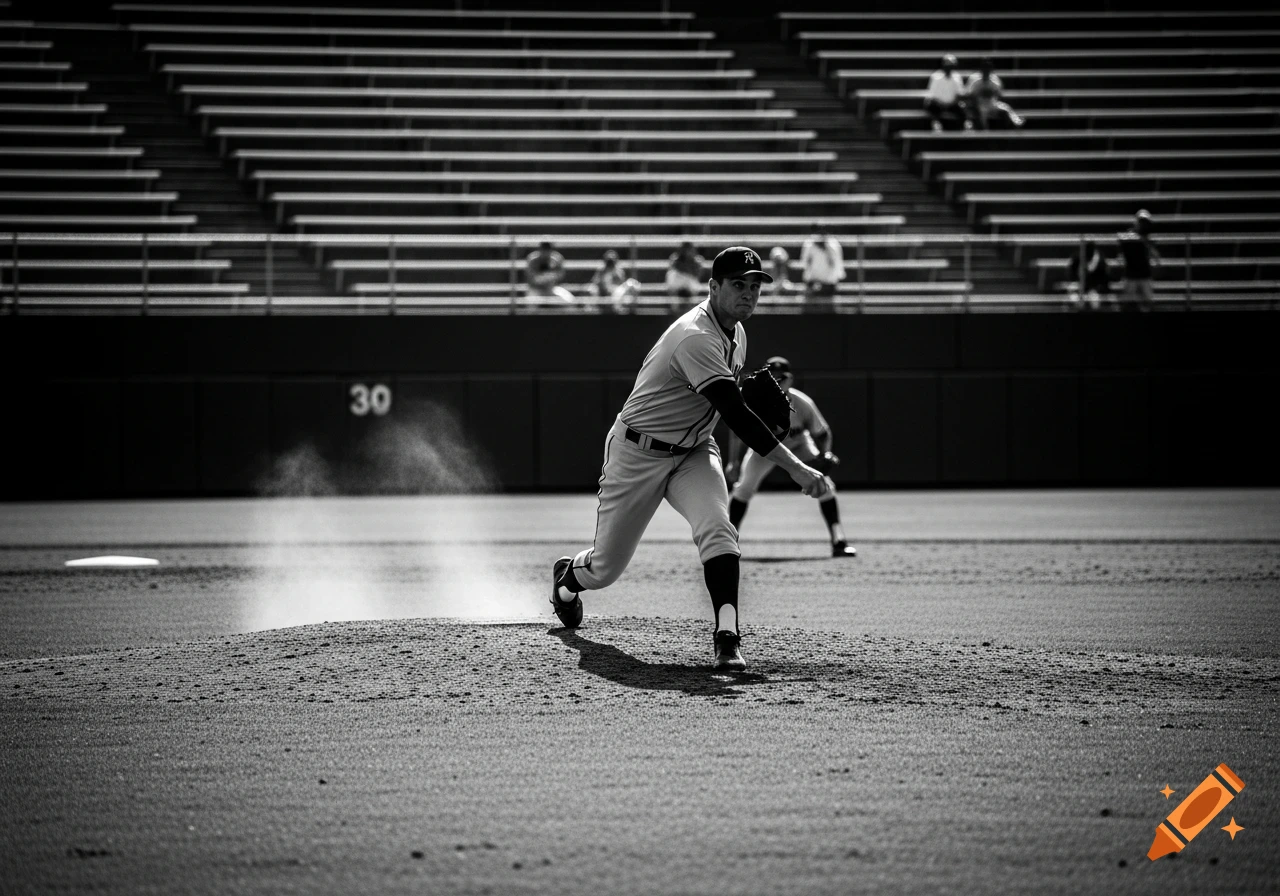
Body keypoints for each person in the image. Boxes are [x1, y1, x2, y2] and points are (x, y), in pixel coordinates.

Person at [550, 247, 832, 672]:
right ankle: (568, 580)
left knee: (720, 531)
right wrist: (798, 467)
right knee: (605, 569)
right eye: (738, 284)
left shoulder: (737, 333)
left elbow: (727, 410)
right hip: (637, 453)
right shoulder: (696, 336)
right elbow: (735, 414)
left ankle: (727, 637)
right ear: (713, 286)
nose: (749, 294)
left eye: (755, 286)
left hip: (695, 452)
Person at [725, 357, 856, 558]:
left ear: (790, 379)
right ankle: (727, 544)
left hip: (798, 446)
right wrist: (733, 461)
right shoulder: (754, 402)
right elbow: (737, 433)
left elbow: (823, 433)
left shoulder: (802, 402)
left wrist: (825, 453)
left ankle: (839, 540)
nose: (777, 380)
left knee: (824, 486)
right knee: (743, 489)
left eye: (782, 376)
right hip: (765, 449)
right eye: (773, 376)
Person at [1116, 209, 1161, 310]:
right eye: (1141, 222)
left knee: (1148, 304)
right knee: (1127, 305)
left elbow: (1156, 257)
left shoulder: (1149, 239)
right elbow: (1120, 255)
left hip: (1144, 275)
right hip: (1131, 275)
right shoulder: (1128, 236)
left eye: (1145, 222)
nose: (1143, 225)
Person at [965, 58, 1024, 130]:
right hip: (979, 105)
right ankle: (985, 132)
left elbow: (999, 94)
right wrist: (980, 94)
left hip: (992, 104)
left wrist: (991, 94)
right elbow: (969, 95)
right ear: (981, 69)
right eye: (984, 68)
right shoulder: (975, 80)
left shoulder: (995, 80)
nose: (986, 70)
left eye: (988, 68)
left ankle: (1016, 122)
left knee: (1006, 107)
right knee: (982, 113)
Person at [800, 226, 845, 307]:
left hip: (829, 284)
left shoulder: (833, 244)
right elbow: (804, 264)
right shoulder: (809, 244)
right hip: (812, 283)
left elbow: (837, 266)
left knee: (829, 310)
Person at [525, 239, 576, 309]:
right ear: (540, 249)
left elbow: (561, 275)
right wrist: (547, 277)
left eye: (548, 249)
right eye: (544, 249)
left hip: (552, 289)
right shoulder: (532, 259)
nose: (546, 252)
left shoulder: (556, 259)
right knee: (531, 304)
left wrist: (547, 277)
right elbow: (532, 279)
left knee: (570, 301)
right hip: (536, 289)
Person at [924, 53, 969, 132]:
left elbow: (959, 94)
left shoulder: (957, 77)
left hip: (952, 104)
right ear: (943, 66)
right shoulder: (935, 77)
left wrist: (952, 102)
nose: (949, 68)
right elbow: (932, 96)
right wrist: (941, 103)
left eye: (951, 66)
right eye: (947, 65)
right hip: (938, 104)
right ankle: (936, 123)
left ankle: (966, 125)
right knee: (930, 105)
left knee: (962, 107)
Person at [587, 249, 641, 313]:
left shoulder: (619, 271)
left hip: (617, 294)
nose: (610, 261)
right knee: (591, 288)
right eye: (609, 260)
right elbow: (595, 284)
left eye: (612, 259)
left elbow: (622, 285)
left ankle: (630, 309)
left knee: (631, 283)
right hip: (604, 294)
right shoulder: (601, 271)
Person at [1065, 239, 1115, 310]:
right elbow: (1070, 275)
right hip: (1079, 287)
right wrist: (1075, 284)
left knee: (1095, 302)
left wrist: (1096, 289)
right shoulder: (1076, 257)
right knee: (1075, 300)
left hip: (1095, 288)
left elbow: (1104, 280)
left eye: (1089, 251)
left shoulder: (1101, 259)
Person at [665, 241, 705, 313]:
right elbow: (674, 268)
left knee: (693, 285)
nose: (687, 251)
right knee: (672, 274)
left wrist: (686, 268)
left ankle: (691, 309)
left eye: (689, 249)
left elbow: (697, 274)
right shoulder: (675, 258)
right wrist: (687, 268)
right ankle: (675, 309)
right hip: (677, 285)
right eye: (685, 249)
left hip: (690, 286)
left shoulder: (697, 260)